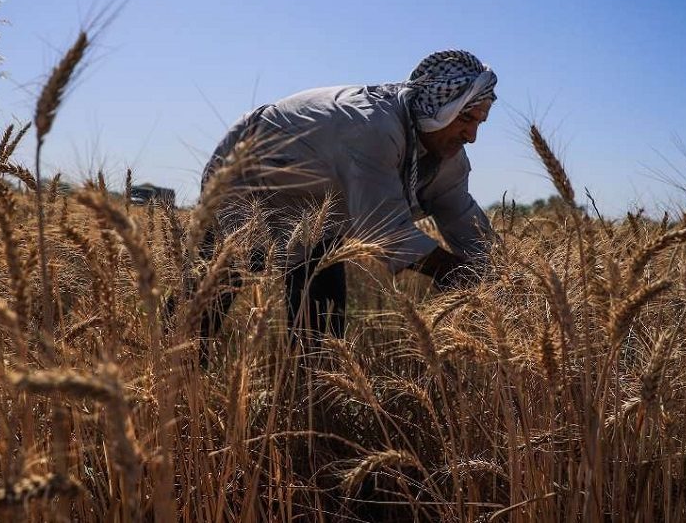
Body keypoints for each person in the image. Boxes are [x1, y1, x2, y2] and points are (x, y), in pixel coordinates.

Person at [197, 49, 498, 354]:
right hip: (247, 177)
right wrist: (450, 270)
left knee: (321, 325)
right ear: (440, 106)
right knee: (207, 301)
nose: (472, 135)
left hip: (317, 212)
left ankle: (306, 392)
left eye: (480, 122)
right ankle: (172, 379)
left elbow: (461, 215)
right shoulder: (373, 128)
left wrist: (499, 273)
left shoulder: (447, 155)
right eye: (466, 118)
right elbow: (383, 228)